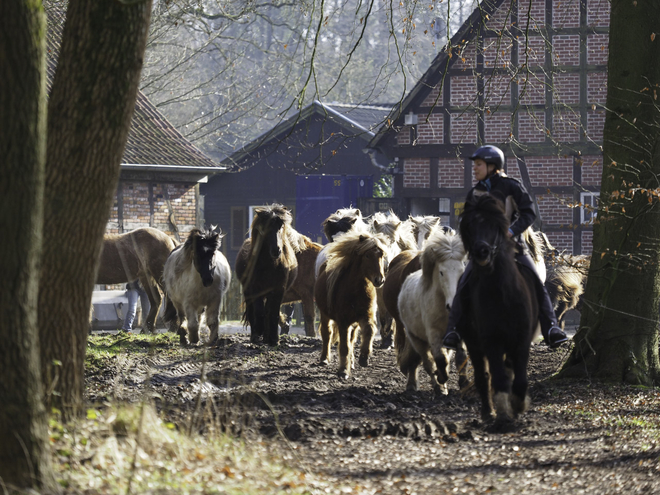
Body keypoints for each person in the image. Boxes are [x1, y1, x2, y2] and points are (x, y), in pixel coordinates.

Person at [442, 145, 569, 350]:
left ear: (493, 166)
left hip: (511, 247)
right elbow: (467, 221)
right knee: (464, 284)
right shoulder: (475, 192)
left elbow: (529, 214)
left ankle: (552, 329)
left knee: (537, 283)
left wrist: (510, 231)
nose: (475, 168)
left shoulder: (512, 187)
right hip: (482, 250)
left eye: (479, 165)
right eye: (475, 165)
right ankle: (454, 330)